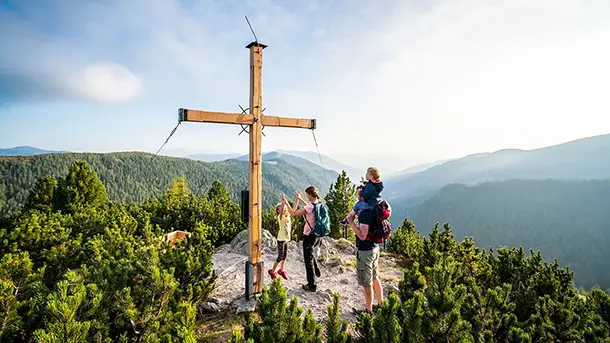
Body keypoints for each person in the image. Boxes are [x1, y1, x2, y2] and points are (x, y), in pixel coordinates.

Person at [347, 186, 384, 315]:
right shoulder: (374, 207)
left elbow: (362, 235)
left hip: (365, 250)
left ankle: (368, 310)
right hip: (375, 248)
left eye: (358, 194)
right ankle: (380, 304)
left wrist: (351, 222)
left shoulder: (364, 213)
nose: (356, 196)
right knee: (375, 277)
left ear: (362, 197)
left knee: (367, 283)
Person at [282, 186, 322, 292]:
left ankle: (312, 285)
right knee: (311, 252)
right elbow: (308, 207)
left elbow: (294, 213)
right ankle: (316, 269)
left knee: (307, 260)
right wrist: (299, 199)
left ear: (309, 194)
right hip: (317, 234)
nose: (306, 196)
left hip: (309, 235)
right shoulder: (318, 203)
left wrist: (286, 203)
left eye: (306, 195)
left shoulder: (310, 206)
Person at [268, 202, 291, 280]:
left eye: (284, 207)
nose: (283, 208)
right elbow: (281, 213)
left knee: (284, 256)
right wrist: (283, 201)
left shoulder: (288, 215)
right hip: (281, 239)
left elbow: (293, 209)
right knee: (280, 257)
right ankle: (272, 271)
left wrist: (297, 198)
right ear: (278, 211)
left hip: (286, 239)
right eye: (281, 208)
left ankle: (281, 270)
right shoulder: (280, 217)